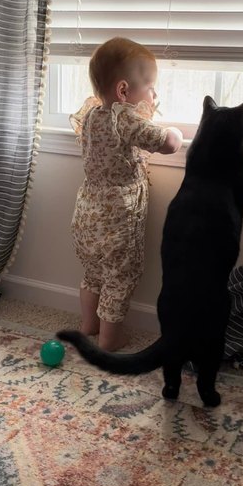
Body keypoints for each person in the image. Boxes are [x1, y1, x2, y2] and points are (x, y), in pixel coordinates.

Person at [70, 37, 183, 351]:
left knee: (93, 273)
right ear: (123, 90)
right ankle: (110, 340)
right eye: (149, 86)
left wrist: (143, 108)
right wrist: (174, 131)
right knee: (120, 278)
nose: (153, 93)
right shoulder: (127, 119)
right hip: (119, 217)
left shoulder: (93, 114)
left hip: (87, 212)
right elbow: (168, 144)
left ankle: (89, 325)